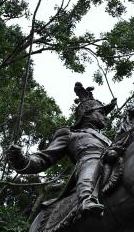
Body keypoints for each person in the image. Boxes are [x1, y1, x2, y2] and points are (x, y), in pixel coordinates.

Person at [6, 82, 116, 215]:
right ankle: (86, 199)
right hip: (89, 162)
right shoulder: (69, 134)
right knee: (92, 162)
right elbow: (44, 158)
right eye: (101, 112)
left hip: (113, 162)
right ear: (87, 114)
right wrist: (21, 160)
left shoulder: (108, 140)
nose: (105, 117)